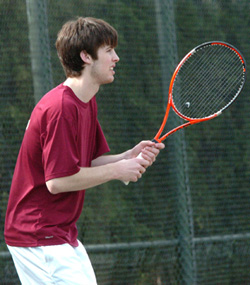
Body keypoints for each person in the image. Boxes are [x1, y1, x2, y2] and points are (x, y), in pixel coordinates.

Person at [4, 17, 165, 284]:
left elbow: (90, 161)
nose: (116, 58)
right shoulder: (61, 108)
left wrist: (128, 156)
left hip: (61, 233)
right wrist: (118, 170)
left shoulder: (85, 103)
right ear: (85, 56)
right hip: (38, 233)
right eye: (108, 50)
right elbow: (58, 181)